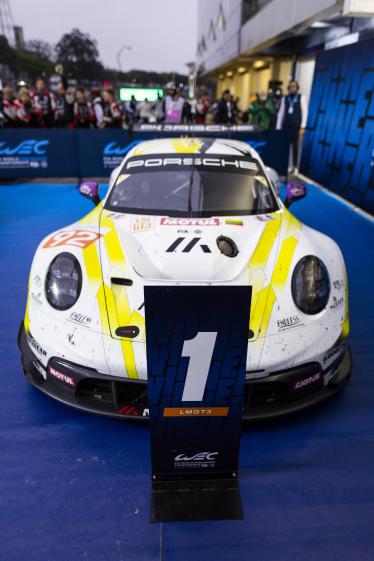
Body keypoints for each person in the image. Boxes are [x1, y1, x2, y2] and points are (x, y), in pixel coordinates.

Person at [276, 80, 307, 172]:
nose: (292, 88)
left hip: (296, 127)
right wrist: (278, 127)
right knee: (285, 147)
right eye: (291, 86)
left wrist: (303, 126)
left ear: (297, 87)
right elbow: (281, 113)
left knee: (295, 147)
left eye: (294, 86)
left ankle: (295, 166)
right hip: (286, 126)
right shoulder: (285, 98)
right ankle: (287, 165)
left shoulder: (301, 97)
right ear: (288, 87)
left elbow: (305, 112)